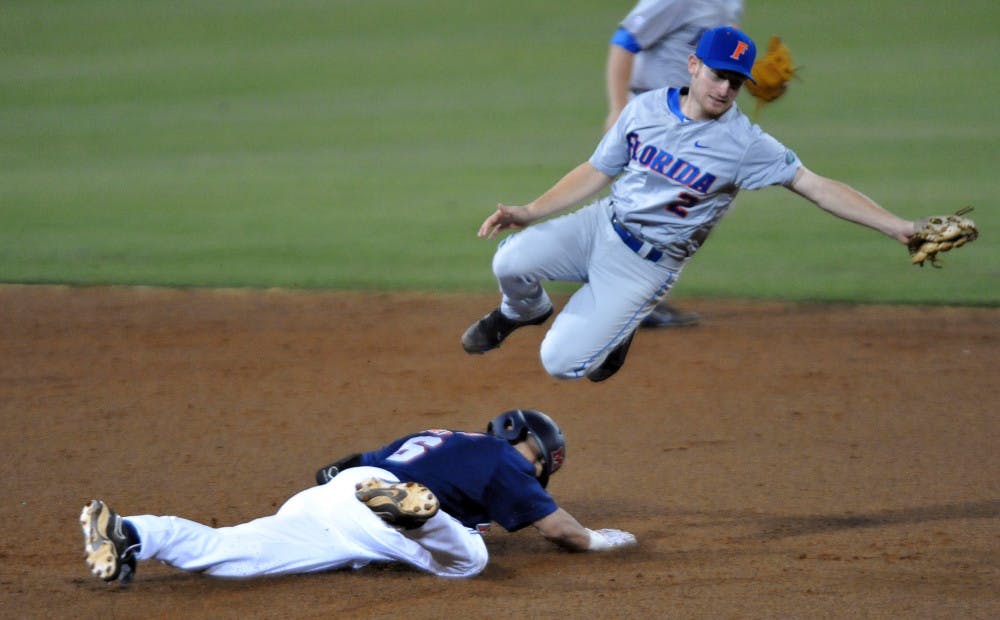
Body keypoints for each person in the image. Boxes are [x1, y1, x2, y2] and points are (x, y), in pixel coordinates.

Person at [461, 26, 918, 383]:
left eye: (737, 83)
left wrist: (895, 226)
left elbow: (816, 186)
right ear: (694, 65)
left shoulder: (745, 144)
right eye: (719, 75)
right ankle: (522, 312)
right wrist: (530, 211)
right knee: (510, 260)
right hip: (599, 226)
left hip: (646, 267)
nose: (725, 90)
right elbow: (597, 170)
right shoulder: (644, 109)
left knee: (559, 362)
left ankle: (620, 331)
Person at [80, 409, 636, 585]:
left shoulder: (438, 436)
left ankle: (135, 532)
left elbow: (348, 465)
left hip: (335, 498)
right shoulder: (506, 460)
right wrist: (606, 540)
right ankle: (420, 518)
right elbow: (565, 534)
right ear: (536, 451)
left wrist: (341, 478)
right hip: (385, 510)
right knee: (470, 559)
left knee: (230, 555)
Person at [604, 0, 745, 328]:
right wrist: (616, 107)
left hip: (691, 115)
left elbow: (725, 44)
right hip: (652, 109)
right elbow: (625, 40)